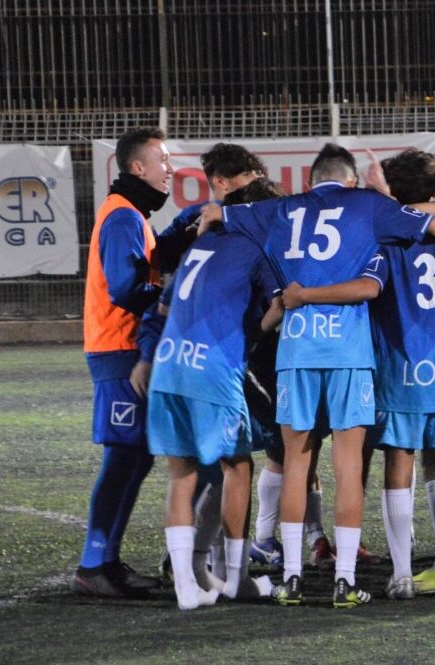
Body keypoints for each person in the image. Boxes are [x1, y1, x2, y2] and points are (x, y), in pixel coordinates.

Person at [197, 143, 435, 608]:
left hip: (297, 349)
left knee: (296, 462)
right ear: (350, 181)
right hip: (349, 352)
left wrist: (210, 224)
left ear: (310, 181)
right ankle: (345, 579)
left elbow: (219, 215)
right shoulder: (369, 206)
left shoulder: (283, 208)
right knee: (348, 464)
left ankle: (290, 576)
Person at [147, 177, 283, 609]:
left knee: (183, 473)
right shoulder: (256, 249)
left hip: (170, 364)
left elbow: (165, 306)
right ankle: (237, 577)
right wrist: (250, 334)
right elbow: (281, 305)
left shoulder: (201, 246)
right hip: (212, 366)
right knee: (237, 466)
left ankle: (188, 580)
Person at [73, 127, 195, 598]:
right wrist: (176, 298)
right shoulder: (123, 216)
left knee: (136, 455)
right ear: (136, 168)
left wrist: (182, 228)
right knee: (124, 456)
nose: (170, 167)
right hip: (118, 350)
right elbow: (127, 287)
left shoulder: (131, 214)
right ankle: (93, 564)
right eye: (161, 159)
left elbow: (145, 262)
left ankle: (106, 560)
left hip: (121, 349)